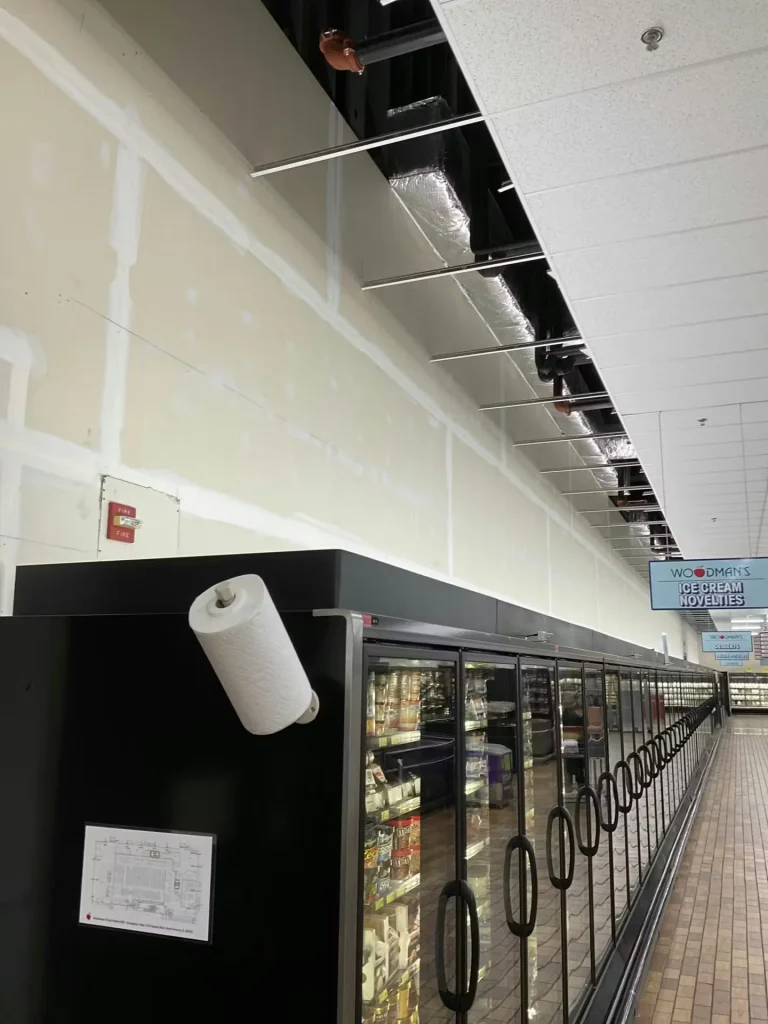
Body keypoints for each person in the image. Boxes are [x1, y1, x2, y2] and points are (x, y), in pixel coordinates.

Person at [562, 696, 586, 792]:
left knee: (570, 763)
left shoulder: (567, 713)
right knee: (577, 763)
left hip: (570, 742)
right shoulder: (572, 715)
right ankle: (579, 783)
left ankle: (570, 785)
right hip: (576, 742)